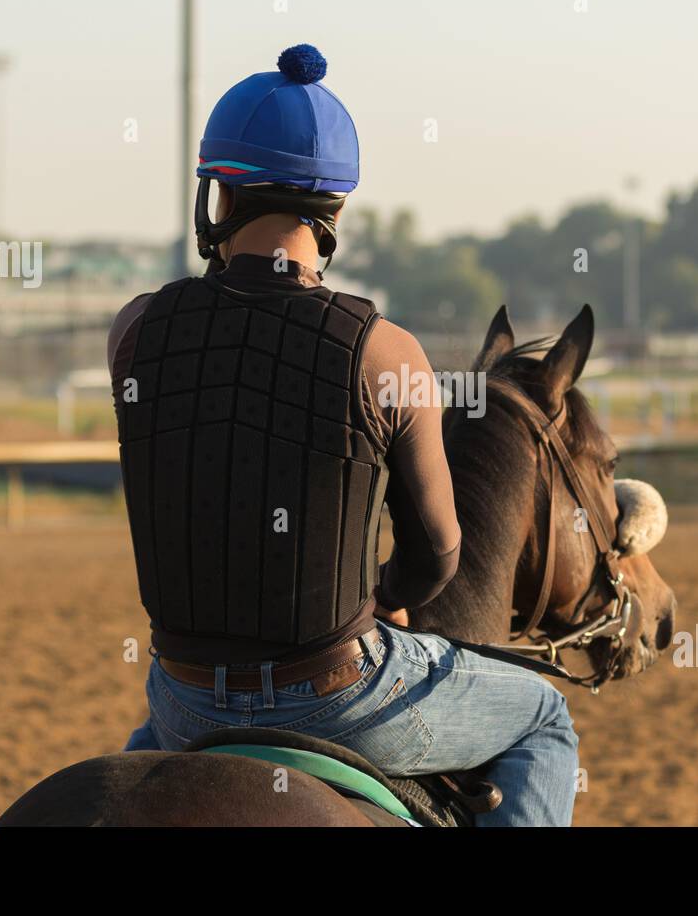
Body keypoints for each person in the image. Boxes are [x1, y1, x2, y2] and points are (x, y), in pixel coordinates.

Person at [112, 44, 578, 826]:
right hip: (337, 694)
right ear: (336, 211)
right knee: (544, 719)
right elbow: (439, 555)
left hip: (183, 698)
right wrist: (389, 598)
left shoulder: (132, 330)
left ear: (216, 194)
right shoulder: (387, 353)